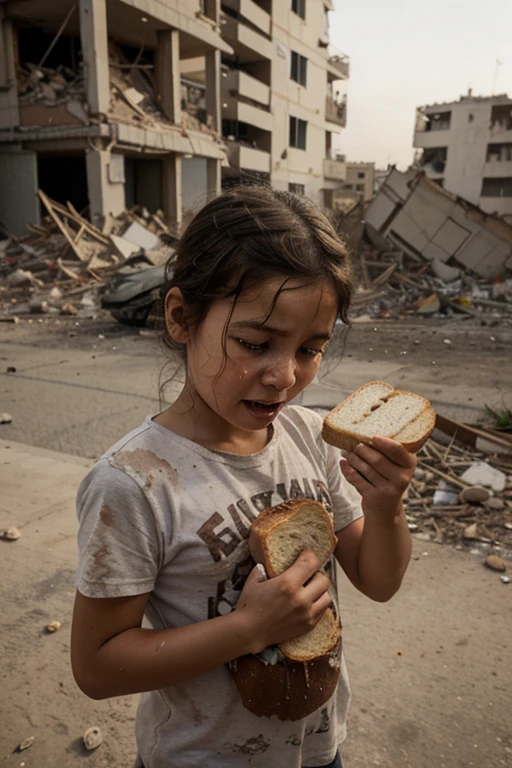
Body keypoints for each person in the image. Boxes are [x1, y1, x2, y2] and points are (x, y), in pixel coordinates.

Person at [71, 185, 415, 768]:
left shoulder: (311, 437)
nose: (284, 376)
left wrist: (386, 507)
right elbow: (98, 667)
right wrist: (248, 628)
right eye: (256, 343)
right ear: (182, 317)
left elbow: (378, 581)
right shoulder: (133, 482)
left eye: (310, 349)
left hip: (317, 746)